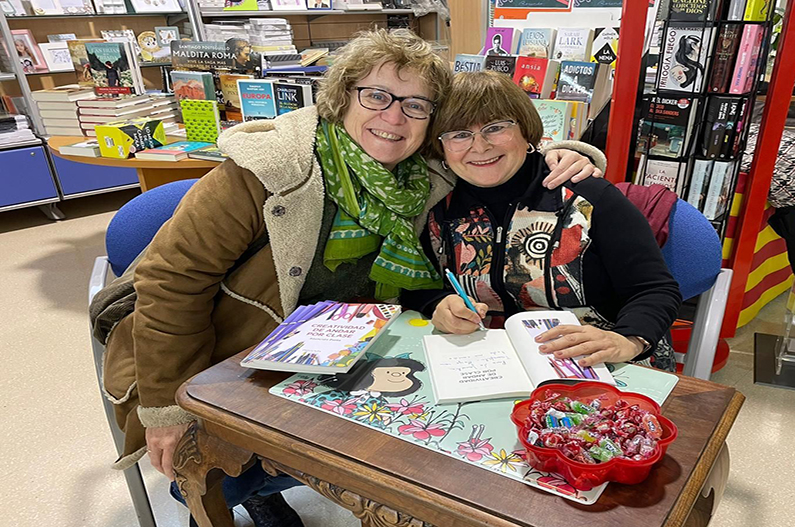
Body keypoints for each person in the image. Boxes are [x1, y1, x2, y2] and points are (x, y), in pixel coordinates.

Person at [93, 29, 603, 525]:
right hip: (225, 349)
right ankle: (256, 493)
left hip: (344, 347)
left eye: (416, 105)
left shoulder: (418, 170)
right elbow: (171, 284)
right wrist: (164, 406)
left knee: (409, 451)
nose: (394, 116)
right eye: (376, 95)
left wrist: (565, 153)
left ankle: (267, 482)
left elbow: (493, 139)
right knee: (220, 472)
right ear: (341, 98)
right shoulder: (268, 167)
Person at [401, 71, 682, 369]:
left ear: (526, 131)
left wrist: (628, 340)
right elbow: (421, 287)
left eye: (496, 128)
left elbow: (654, 289)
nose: (480, 146)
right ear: (440, 148)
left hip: (600, 363)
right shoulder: (438, 212)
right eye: (459, 134)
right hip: (490, 364)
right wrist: (437, 305)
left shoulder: (587, 196)